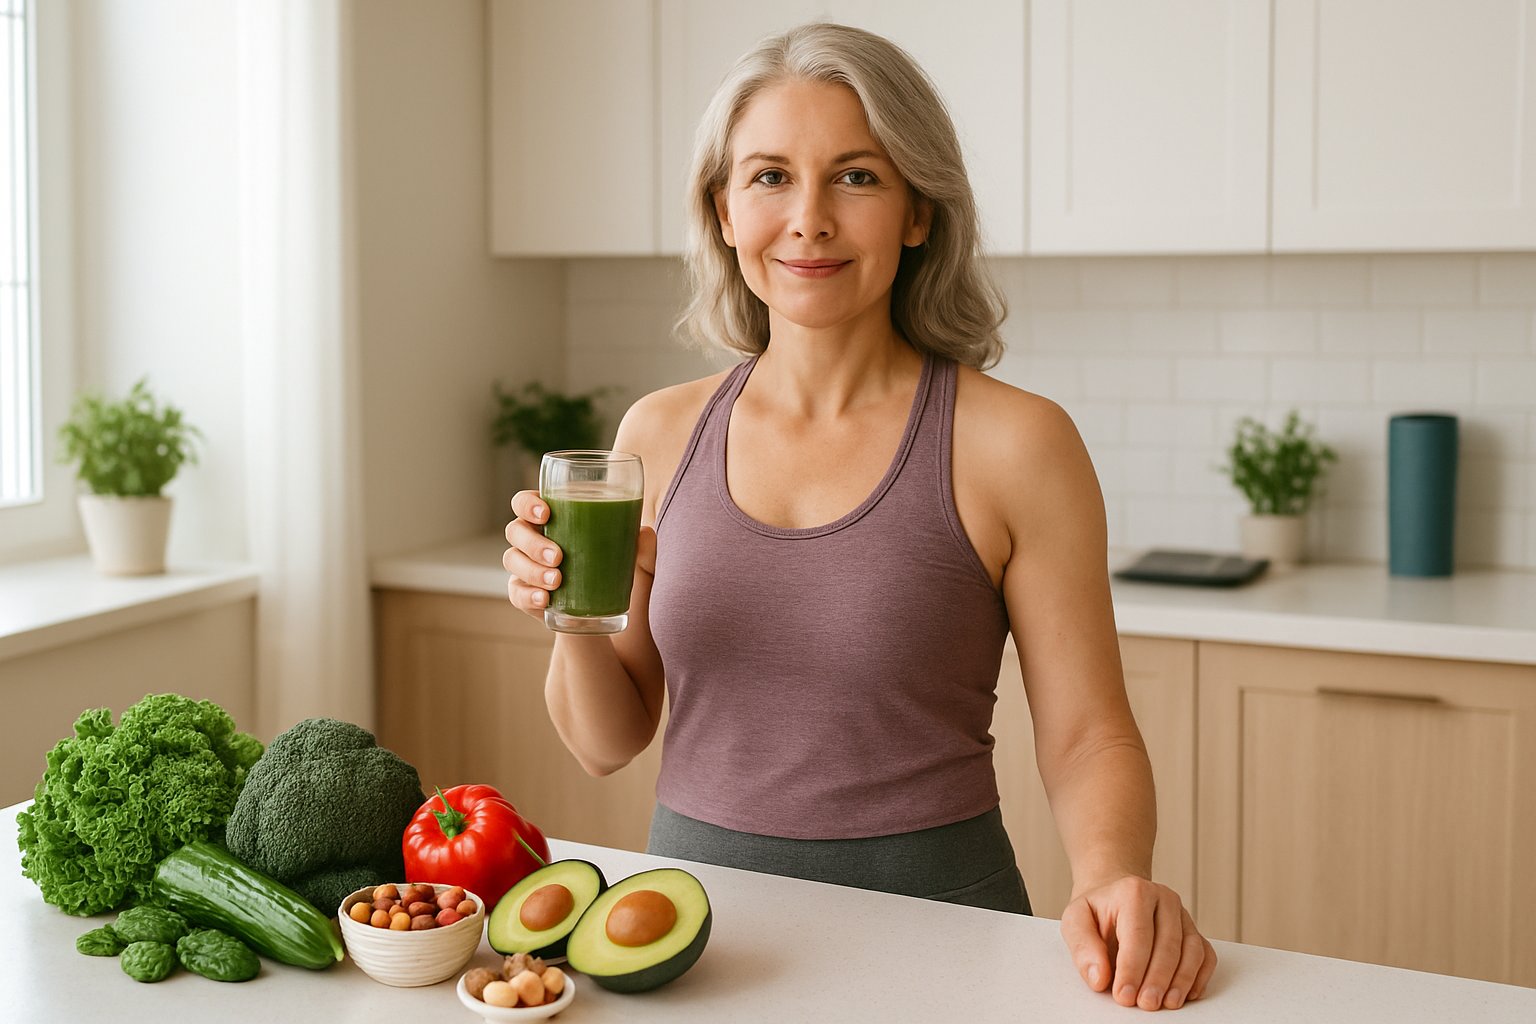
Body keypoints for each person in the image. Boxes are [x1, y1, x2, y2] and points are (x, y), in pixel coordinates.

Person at [503, 22, 1216, 1012]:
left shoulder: (1016, 444)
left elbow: (1091, 732)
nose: (808, 219)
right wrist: (570, 612)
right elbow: (605, 739)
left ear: (918, 211)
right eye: (768, 177)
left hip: (945, 943)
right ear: (723, 209)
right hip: (693, 943)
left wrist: (1110, 877)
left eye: (856, 177)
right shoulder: (656, 435)